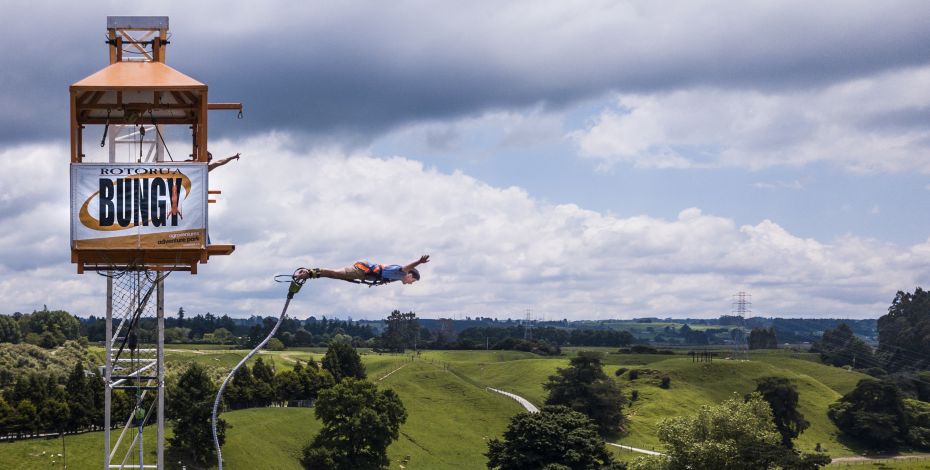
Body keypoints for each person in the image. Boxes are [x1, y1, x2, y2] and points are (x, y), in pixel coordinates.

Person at [297, 255, 430, 285]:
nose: (411, 283)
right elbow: (408, 267)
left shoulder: (397, 278)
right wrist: (419, 262)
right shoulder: (401, 272)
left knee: (335, 276)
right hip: (364, 269)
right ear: (409, 274)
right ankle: (309, 272)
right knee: (336, 273)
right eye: (413, 280)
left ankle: (311, 275)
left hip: (364, 274)